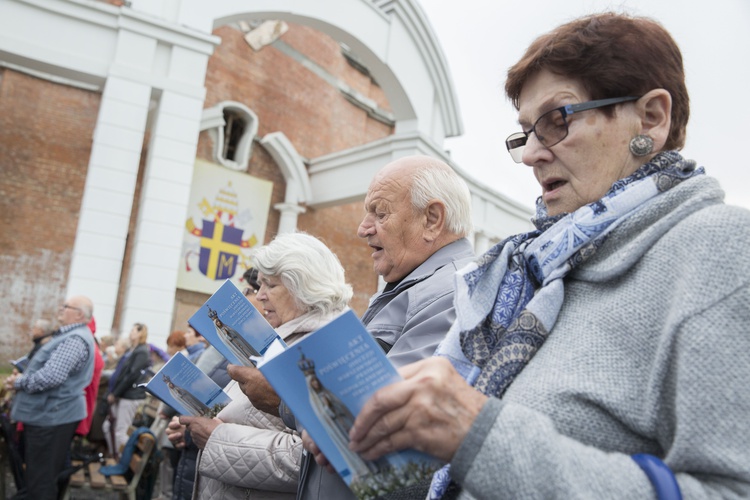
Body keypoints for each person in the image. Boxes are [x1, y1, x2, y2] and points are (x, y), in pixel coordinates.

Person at [340, 12, 750, 499]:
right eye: (526, 132)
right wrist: (369, 433)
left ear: (651, 118)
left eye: (558, 120)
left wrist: (478, 434)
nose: (533, 153)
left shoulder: (720, 251)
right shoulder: (527, 269)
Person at [287, 154, 476, 498]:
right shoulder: (416, 286)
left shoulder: (451, 291)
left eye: (380, 212)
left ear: (432, 219)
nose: (363, 228)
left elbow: (370, 416)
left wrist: (284, 394)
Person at [176, 232, 353, 500]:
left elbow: (313, 461)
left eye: (269, 285)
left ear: (302, 286)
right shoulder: (279, 338)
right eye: (258, 285)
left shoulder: (321, 348)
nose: (259, 296)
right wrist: (200, 426)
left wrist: (216, 438)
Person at [5, 295, 96, 500]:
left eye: (66, 306)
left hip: (51, 418)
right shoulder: (72, 336)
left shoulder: (74, 339)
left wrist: (18, 382)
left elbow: (51, 376)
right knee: (40, 479)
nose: (61, 309)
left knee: (41, 482)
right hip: (51, 416)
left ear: (79, 314)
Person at [103, 323, 150, 458]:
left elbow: (132, 375)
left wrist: (115, 393)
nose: (131, 333)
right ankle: (114, 455)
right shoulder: (133, 350)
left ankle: (122, 461)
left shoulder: (142, 351)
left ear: (141, 333)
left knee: (120, 431)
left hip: (130, 396)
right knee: (108, 427)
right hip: (122, 394)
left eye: (134, 330)